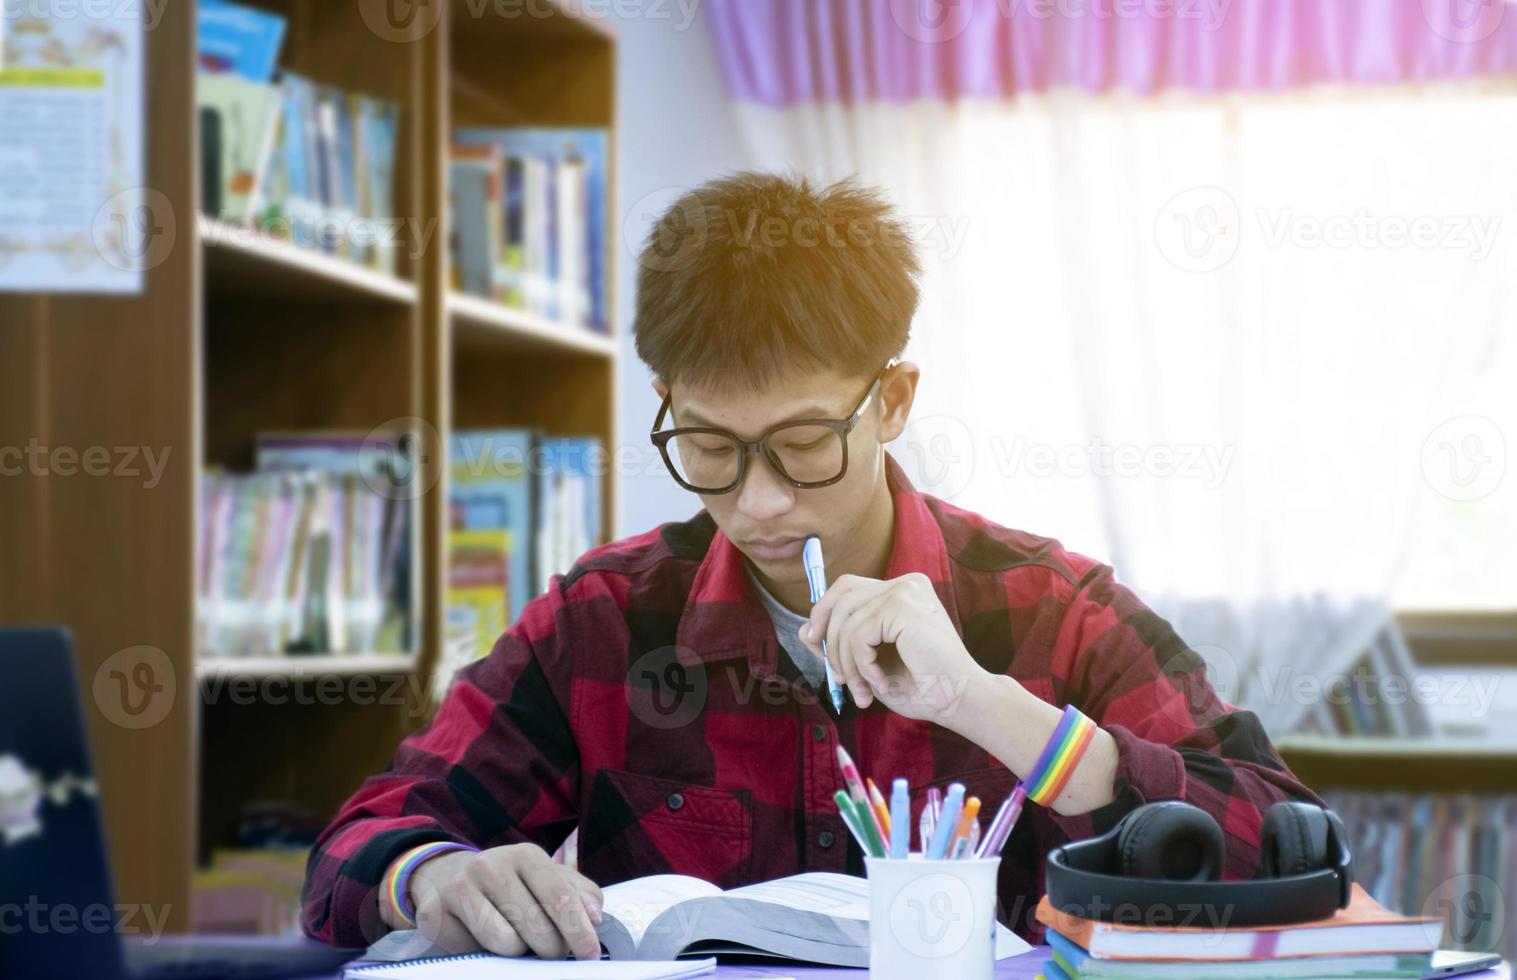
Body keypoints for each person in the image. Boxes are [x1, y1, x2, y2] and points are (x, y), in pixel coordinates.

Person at [301, 173, 1321, 960]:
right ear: (663, 397)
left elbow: (1281, 847)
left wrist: (986, 705)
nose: (757, 500)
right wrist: (429, 875)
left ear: (892, 399)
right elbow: (356, 845)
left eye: (802, 442)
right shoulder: (605, 620)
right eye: (706, 444)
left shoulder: (1051, 609)